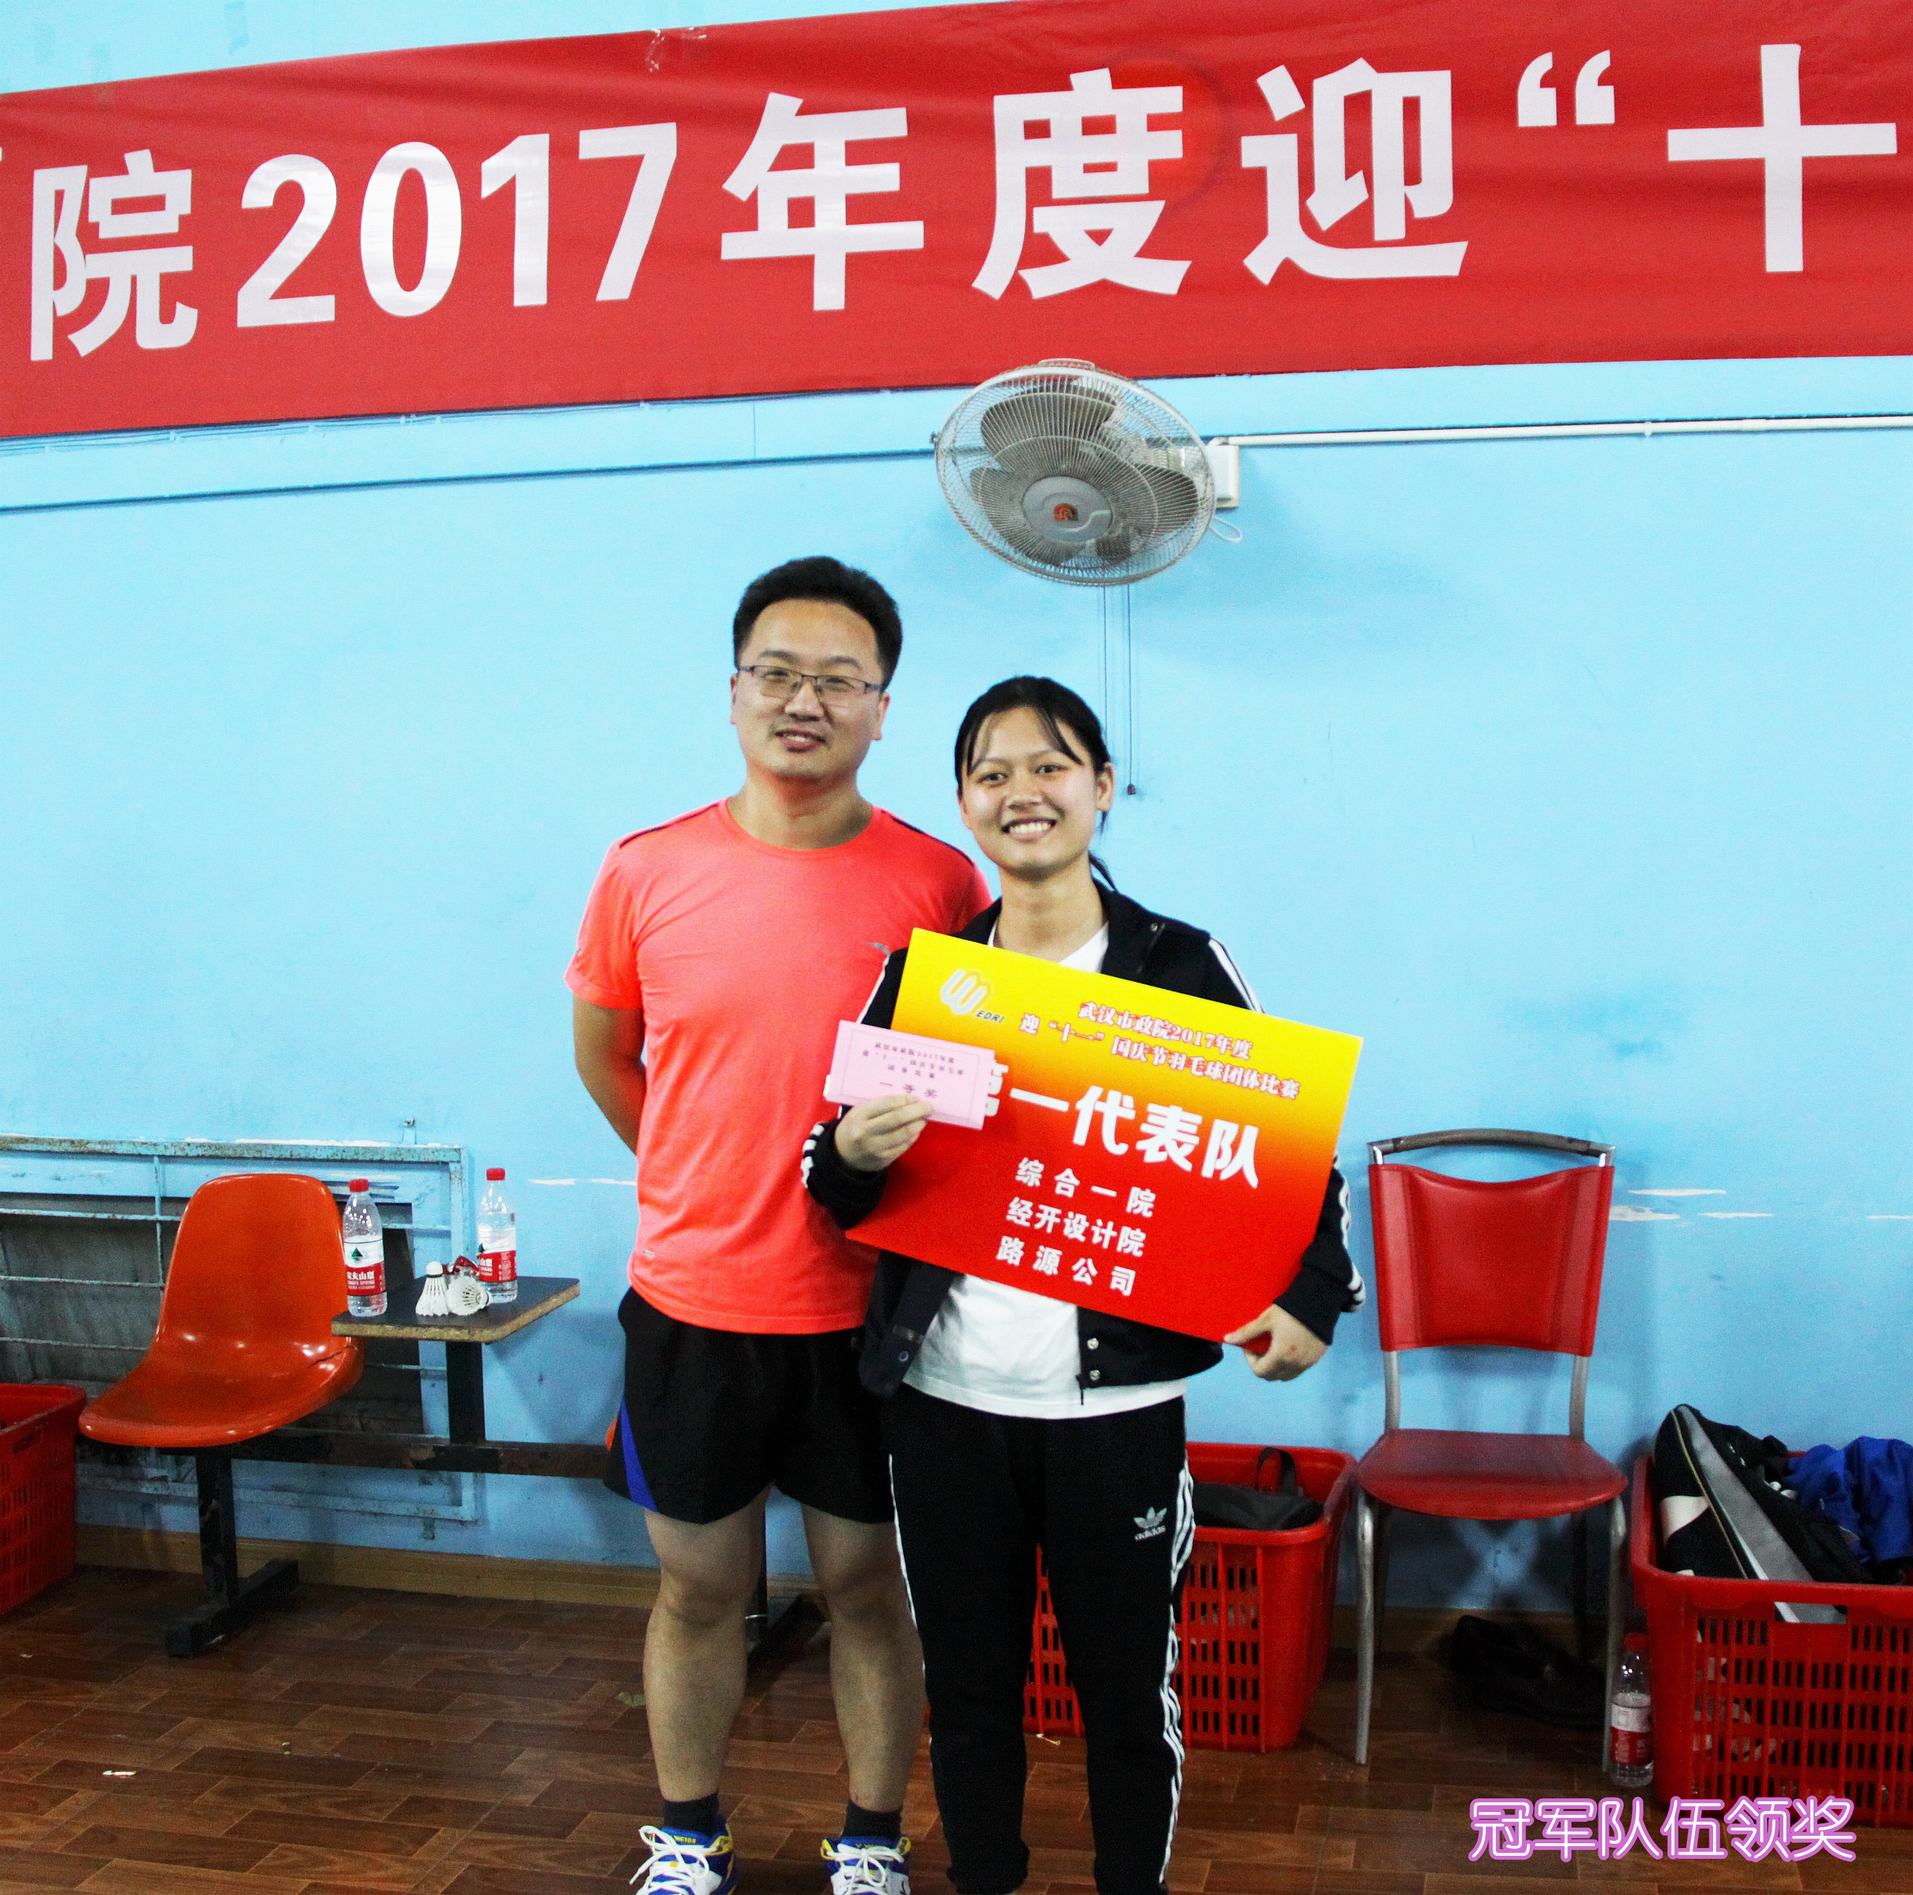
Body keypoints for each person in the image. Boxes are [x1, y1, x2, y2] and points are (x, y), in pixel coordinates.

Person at [801, 676, 1362, 1895]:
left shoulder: (1175, 964)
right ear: (962, 801)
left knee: (1125, 1695)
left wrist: (1315, 1295)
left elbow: (1290, 1159)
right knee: (968, 1693)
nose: (1022, 792)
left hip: (1116, 1413)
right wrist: (849, 1152)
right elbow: (828, 1177)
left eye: (1049, 765)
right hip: (942, 1405)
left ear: (1101, 786)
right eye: (991, 772)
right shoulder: (928, 980)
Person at [568, 556, 989, 1895]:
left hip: (869, 1314)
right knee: (697, 1588)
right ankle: (688, 1834)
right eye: (778, 672)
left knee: (866, 1587)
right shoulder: (645, 868)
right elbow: (606, 1055)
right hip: (692, 1301)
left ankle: (869, 1840)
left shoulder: (939, 883)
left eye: (837, 679)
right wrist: (699, 1169)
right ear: (735, 689)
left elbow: (976, 1091)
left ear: (881, 708)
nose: (804, 700)